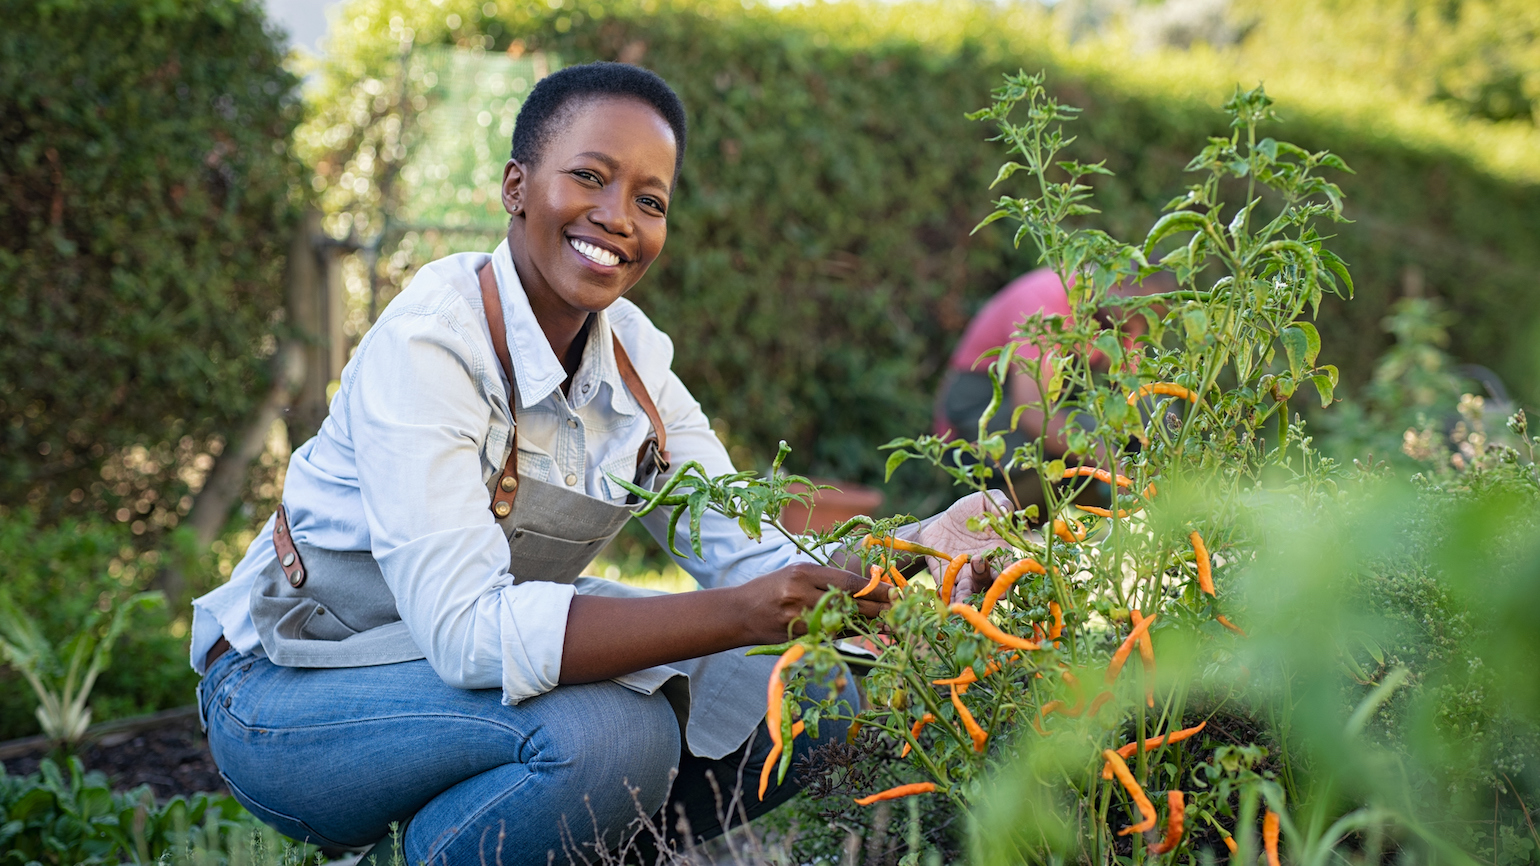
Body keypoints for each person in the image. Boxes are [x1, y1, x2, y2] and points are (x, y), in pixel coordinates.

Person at [192, 62, 1005, 866]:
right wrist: (745, 614)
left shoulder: (638, 366)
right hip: (291, 691)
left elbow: (753, 553)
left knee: (815, 690)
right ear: (516, 186)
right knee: (615, 736)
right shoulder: (431, 346)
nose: (619, 218)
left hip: (449, 684)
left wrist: (916, 551)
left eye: (650, 201)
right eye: (589, 177)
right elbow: (467, 633)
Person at [932, 268, 1172, 503]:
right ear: (1115, 283)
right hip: (979, 413)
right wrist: (1108, 460)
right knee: (1090, 435)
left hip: (1044, 408)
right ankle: (1002, 512)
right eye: (1138, 313)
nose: (1138, 324)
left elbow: (1138, 390)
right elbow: (1032, 412)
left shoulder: (1122, 317)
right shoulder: (1046, 303)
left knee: (1158, 410)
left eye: (1149, 317)